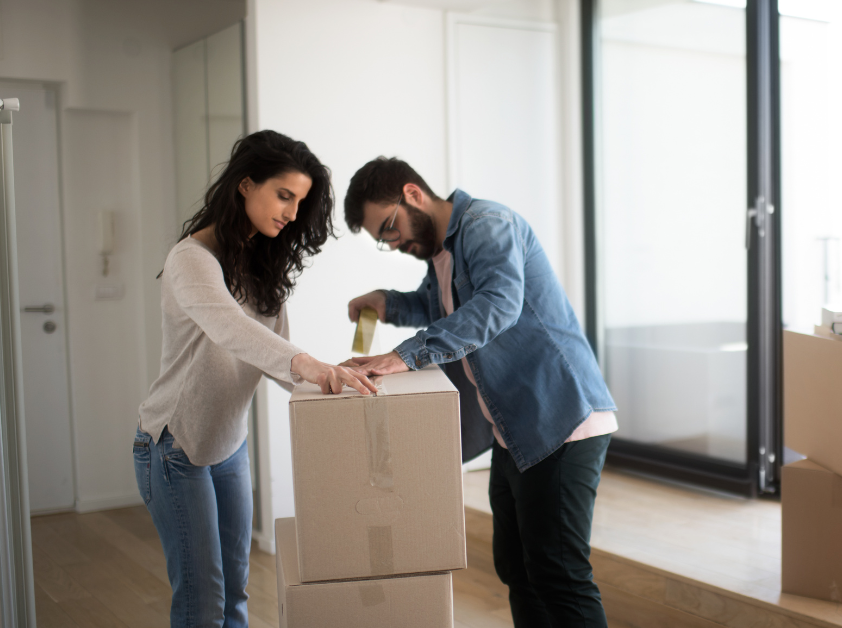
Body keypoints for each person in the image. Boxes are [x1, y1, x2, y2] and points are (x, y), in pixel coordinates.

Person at [342, 158, 616, 628]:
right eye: (385, 242)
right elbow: (439, 307)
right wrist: (385, 303)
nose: (397, 243)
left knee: (560, 576)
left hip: (563, 420)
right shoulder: (441, 253)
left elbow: (497, 305)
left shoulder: (488, 225)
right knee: (518, 571)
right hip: (515, 432)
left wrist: (406, 355)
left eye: (391, 227)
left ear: (413, 194)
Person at [135, 130, 376, 628]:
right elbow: (232, 330)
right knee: (203, 605)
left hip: (229, 446)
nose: (290, 212)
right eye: (283, 195)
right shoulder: (190, 260)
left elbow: (278, 359)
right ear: (245, 185)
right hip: (175, 447)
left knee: (237, 596)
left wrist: (336, 378)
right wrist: (308, 363)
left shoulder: (261, 262)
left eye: (299, 201)